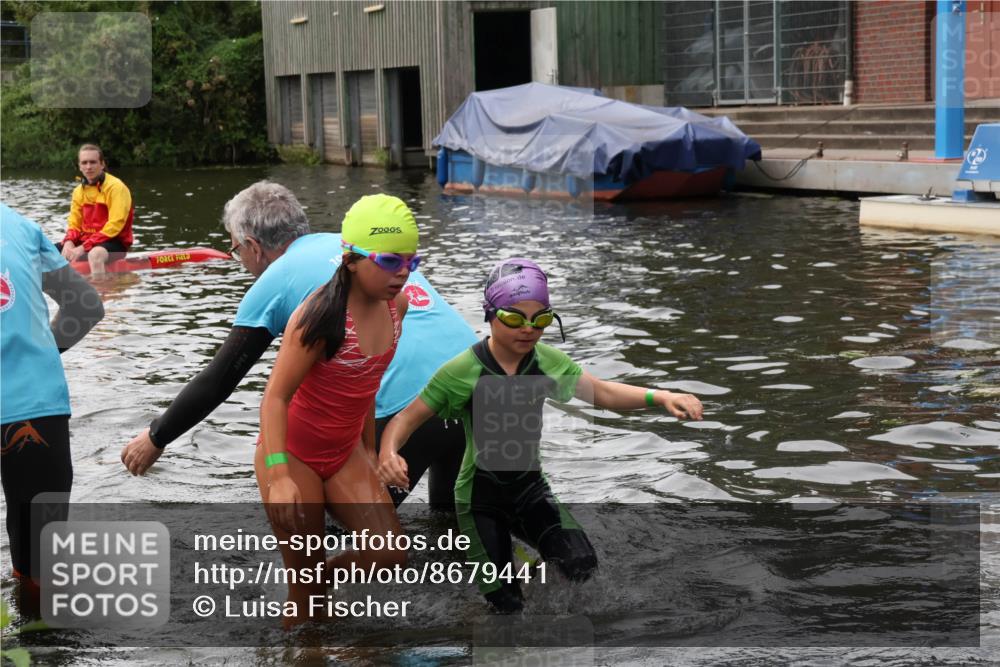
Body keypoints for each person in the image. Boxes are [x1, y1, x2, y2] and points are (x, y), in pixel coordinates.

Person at [119, 181, 475, 511]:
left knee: (329, 534)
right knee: (454, 525)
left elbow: (221, 378)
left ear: (253, 247)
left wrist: (156, 436)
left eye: (235, 249)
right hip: (477, 383)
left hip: (407, 410)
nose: (239, 261)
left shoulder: (280, 276)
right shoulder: (364, 247)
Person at [378, 258, 704, 613]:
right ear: (490, 314)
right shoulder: (461, 372)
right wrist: (389, 453)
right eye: (515, 318)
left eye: (541, 319)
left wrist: (662, 397)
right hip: (479, 500)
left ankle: (531, 581)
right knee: (506, 605)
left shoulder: (547, 362)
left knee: (581, 563)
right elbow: (405, 420)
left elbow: (603, 394)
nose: (528, 329)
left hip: (530, 489)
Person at [257, 193, 419, 626]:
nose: (401, 273)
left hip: (344, 451)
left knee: (390, 553)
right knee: (306, 603)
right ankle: (306, 608)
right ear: (351, 259)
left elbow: (362, 386)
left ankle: (321, 576)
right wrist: (279, 475)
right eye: (388, 261)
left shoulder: (396, 307)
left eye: (410, 261)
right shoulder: (319, 317)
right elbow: (274, 397)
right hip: (293, 455)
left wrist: (368, 451)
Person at [1, 203, 105, 605]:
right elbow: (86, 307)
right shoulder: (21, 228)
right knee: (41, 568)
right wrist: (42, 351)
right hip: (38, 407)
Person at [57, 143, 134, 277]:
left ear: (102, 164)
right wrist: (69, 242)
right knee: (46, 252)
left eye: (93, 162)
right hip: (87, 241)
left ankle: (100, 294)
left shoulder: (116, 188)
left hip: (115, 242)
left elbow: (115, 226)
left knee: (95, 255)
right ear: (79, 166)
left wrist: (83, 248)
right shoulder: (78, 191)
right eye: (84, 163)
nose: (88, 167)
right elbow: (74, 224)